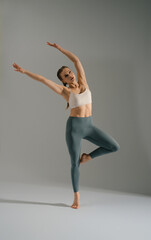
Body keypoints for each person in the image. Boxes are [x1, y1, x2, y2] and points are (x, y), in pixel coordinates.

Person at [12, 42, 120, 209]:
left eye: (69, 72)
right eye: (66, 76)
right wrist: (25, 71)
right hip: (74, 129)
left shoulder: (84, 82)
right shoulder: (65, 92)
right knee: (74, 163)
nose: (70, 75)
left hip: (89, 126)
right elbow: (43, 80)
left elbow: (76, 61)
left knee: (113, 146)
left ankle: (88, 157)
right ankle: (76, 197)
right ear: (63, 81)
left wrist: (60, 49)